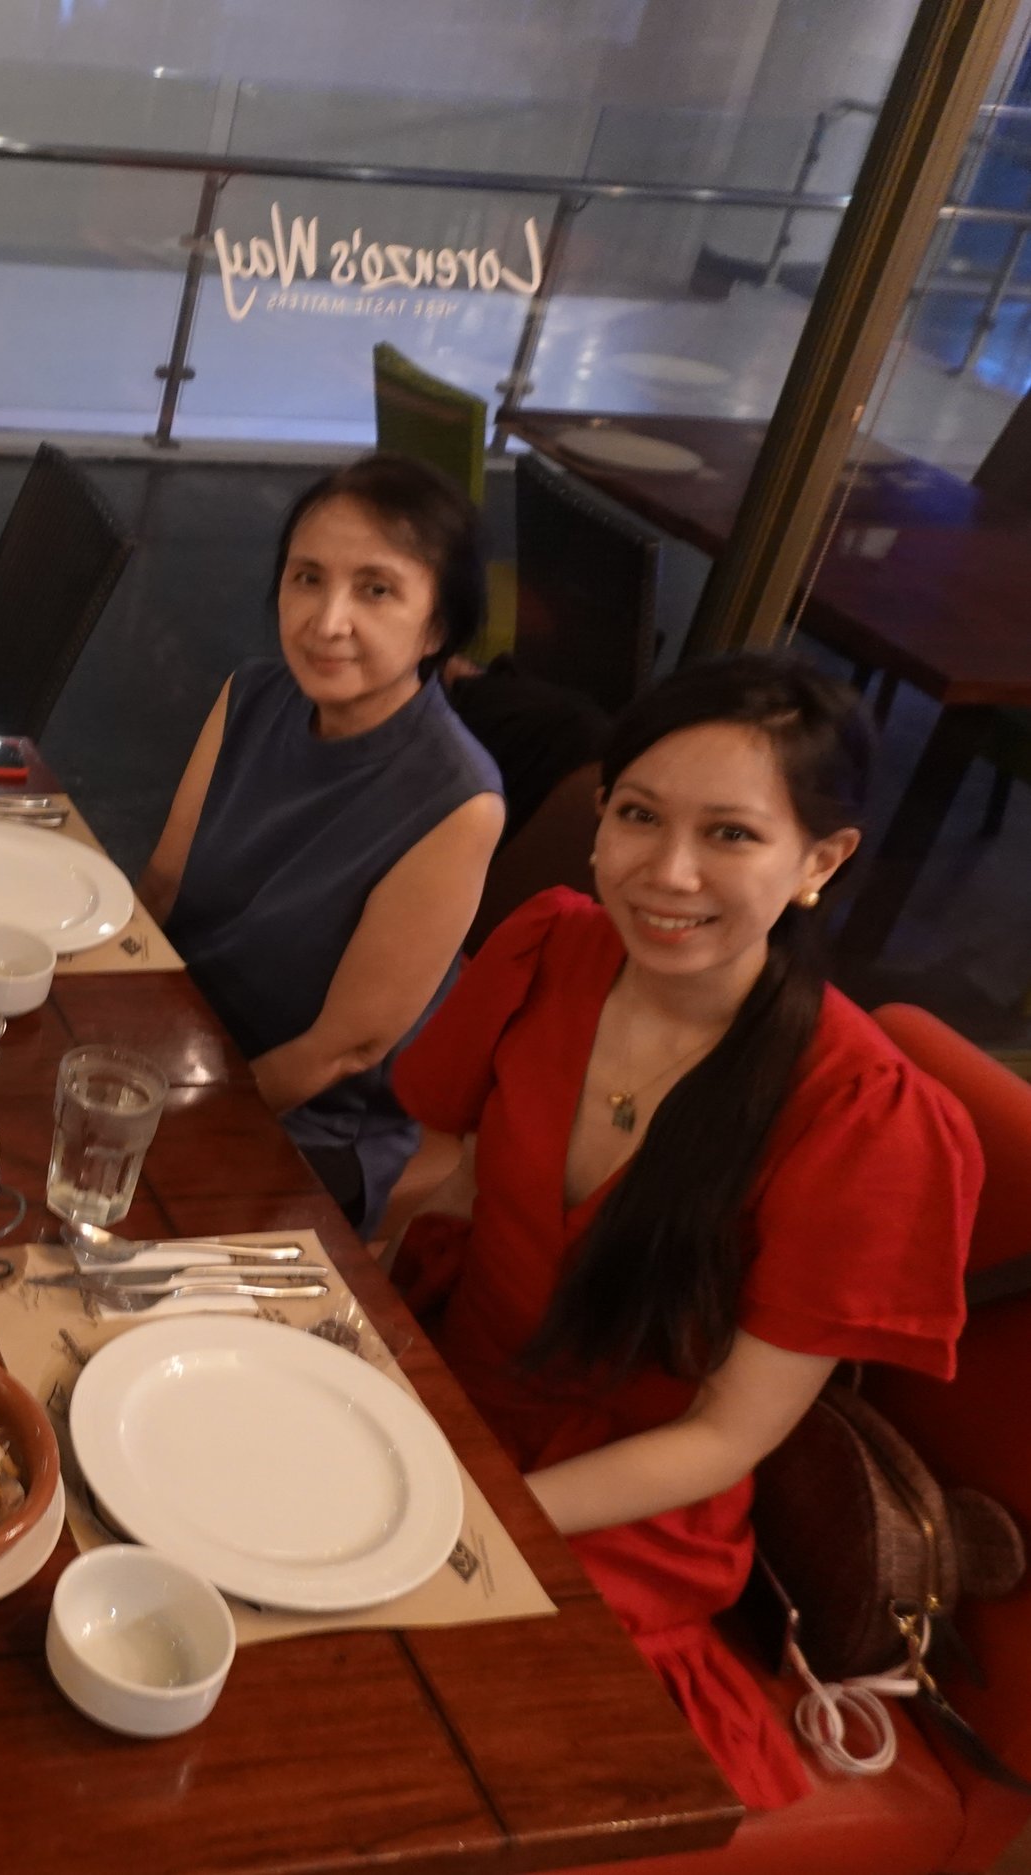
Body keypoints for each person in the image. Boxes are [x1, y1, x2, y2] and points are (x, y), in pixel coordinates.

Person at [389, 653, 979, 1809]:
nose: (665, 872)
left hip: (612, 1507)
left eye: (730, 835)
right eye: (638, 816)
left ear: (820, 862)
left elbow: (723, 1436)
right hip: (444, 1394)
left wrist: (465, 1514)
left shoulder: (863, 1116)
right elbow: (441, 1176)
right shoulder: (547, 945)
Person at [139, 453, 505, 1227]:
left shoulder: (458, 799)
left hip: (303, 1119)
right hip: (174, 1043)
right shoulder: (252, 692)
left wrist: (167, 1116)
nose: (327, 621)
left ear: (438, 625)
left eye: (376, 589)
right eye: (307, 577)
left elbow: (343, 1051)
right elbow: (162, 887)